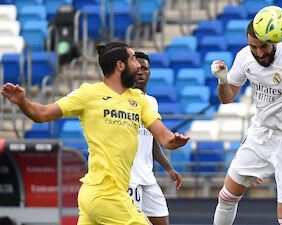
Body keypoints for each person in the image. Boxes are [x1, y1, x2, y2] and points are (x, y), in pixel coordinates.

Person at [1, 42, 190, 225]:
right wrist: (22, 102)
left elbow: (165, 138)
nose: (138, 66)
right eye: (133, 59)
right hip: (103, 193)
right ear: (120, 65)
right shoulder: (88, 94)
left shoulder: (139, 100)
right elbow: (41, 114)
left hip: (105, 195)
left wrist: (175, 141)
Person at [211, 20, 282, 225]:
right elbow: (227, 98)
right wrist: (222, 80)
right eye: (253, 47)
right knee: (227, 197)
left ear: (274, 41)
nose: (259, 53)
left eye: (263, 46)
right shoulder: (244, 57)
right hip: (260, 135)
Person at [128, 51, 183, 225]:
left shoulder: (152, 102)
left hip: (147, 178)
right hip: (129, 178)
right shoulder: (123, 100)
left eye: (144, 68)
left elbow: (152, 142)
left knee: (162, 220)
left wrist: (169, 168)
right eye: (137, 68)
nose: (140, 72)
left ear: (149, 73)